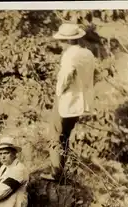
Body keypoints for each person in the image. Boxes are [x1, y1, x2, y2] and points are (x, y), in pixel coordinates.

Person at [41, 23, 96, 181]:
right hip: (81, 101)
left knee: (55, 133)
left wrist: (59, 92)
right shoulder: (88, 54)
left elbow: (66, 75)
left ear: (66, 41)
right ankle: (60, 171)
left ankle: (56, 172)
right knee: (64, 134)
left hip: (67, 98)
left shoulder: (69, 55)